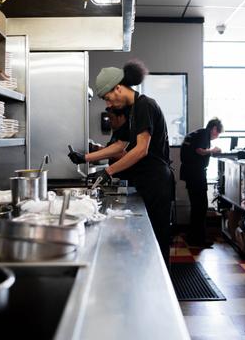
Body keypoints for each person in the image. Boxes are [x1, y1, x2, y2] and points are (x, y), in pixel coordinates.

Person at [68, 60, 173, 266]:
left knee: (158, 238)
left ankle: (162, 287)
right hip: (147, 180)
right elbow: (119, 145)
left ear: (118, 88)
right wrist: (85, 158)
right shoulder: (133, 110)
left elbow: (141, 149)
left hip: (157, 181)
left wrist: (107, 171)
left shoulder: (145, 105)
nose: (108, 105)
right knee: (148, 237)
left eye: (107, 98)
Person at [180, 118, 223, 247]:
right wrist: (213, 150)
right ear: (214, 129)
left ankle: (193, 237)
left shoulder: (197, 133)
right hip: (196, 173)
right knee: (201, 206)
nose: (217, 136)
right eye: (218, 133)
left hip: (190, 172)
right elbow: (199, 150)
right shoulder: (204, 134)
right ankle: (198, 239)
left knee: (196, 206)